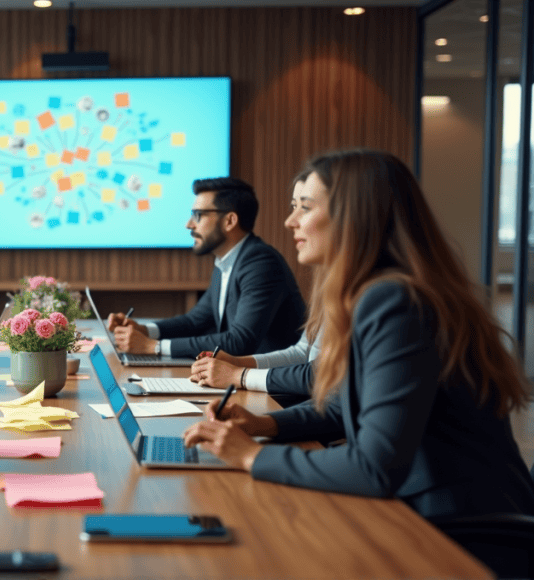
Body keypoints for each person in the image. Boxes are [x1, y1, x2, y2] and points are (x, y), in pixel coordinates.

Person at [183, 149, 534, 520]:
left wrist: (252, 455)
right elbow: (343, 405)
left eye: (305, 207)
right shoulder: (379, 293)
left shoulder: (394, 300)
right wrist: (262, 424)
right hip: (430, 509)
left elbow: (375, 467)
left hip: (465, 529)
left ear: (353, 218)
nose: (290, 221)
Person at [108, 177, 305, 359]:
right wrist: (144, 330)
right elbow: (194, 321)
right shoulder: (226, 261)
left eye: (198, 215)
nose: (189, 224)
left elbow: (240, 341)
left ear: (229, 221)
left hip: (273, 390)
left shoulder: (260, 262)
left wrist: (154, 347)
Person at [191, 171, 316, 404]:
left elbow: (319, 377)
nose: (290, 221)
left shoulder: (260, 261)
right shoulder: (330, 285)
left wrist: (240, 374)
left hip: (284, 396)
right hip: (289, 397)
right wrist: (238, 365)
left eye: (305, 208)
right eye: (293, 206)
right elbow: (303, 354)